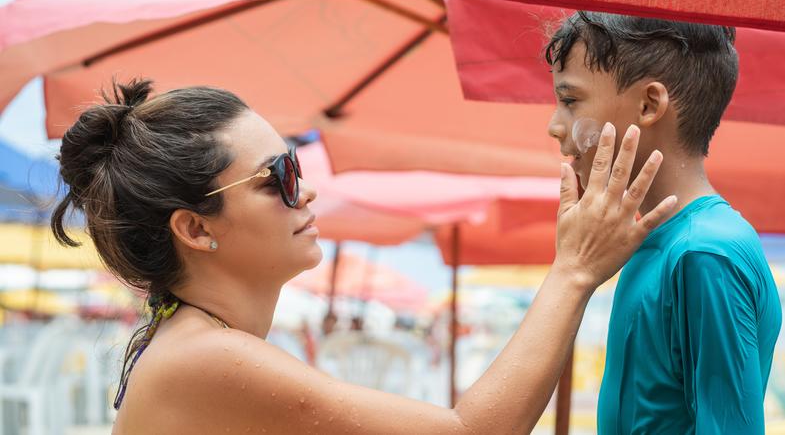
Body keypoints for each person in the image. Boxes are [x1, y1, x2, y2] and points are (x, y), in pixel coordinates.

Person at [51, 78, 675, 434]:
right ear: (194, 227)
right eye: (281, 175)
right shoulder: (208, 356)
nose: (309, 189)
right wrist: (573, 272)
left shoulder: (195, 343)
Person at [545, 12, 781, 434]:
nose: (554, 126)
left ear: (649, 105)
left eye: (570, 100)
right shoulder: (657, 240)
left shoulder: (705, 253)